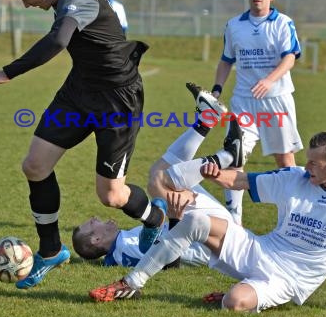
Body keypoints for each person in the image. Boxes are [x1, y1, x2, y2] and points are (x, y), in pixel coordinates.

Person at [0, 0, 165, 289]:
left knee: (111, 195)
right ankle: (51, 251)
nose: (26, 5)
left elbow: (58, 41)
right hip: (79, 92)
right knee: (34, 165)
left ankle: (154, 218)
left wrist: (6, 72)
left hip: (117, 101)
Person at [90, 128, 326, 314]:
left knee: (235, 304)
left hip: (290, 278)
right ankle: (132, 283)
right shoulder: (295, 177)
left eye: (315, 163)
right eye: (307, 160)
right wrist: (213, 173)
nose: (307, 167)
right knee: (197, 221)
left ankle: (234, 293)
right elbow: (242, 181)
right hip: (262, 249)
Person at [73, 92, 233, 267]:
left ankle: (209, 121)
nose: (95, 218)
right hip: (209, 240)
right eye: (92, 223)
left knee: (164, 174)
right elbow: (169, 260)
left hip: (208, 231)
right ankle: (228, 154)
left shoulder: (121, 247)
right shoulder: (125, 248)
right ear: (96, 239)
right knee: (157, 182)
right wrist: (174, 220)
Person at [209, 0, 303, 226]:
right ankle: (234, 221)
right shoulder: (234, 26)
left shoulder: (283, 23)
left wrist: (269, 80)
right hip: (243, 102)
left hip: (277, 100)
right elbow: (226, 60)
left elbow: (290, 58)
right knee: (234, 154)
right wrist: (217, 89)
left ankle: (290, 220)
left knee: (285, 163)